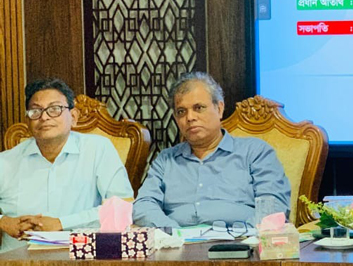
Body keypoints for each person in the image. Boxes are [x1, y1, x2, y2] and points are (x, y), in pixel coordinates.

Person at [133, 72, 291, 228]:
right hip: (178, 247)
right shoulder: (166, 160)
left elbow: (273, 207)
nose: (190, 117)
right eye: (181, 111)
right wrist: (172, 233)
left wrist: (239, 235)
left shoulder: (255, 152)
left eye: (199, 108)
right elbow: (143, 206)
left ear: (219, 108)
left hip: (239, 246)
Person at [0, 78, 133, 250]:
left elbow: (121, 207)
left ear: (73, 116)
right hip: (15, 263)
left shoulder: (98, 149)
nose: (44, 117)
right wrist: (4, 222)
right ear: (28, 121)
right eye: (35, 111)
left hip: (80, 260)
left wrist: (61, 223)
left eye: (54, 109)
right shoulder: (6, 161)